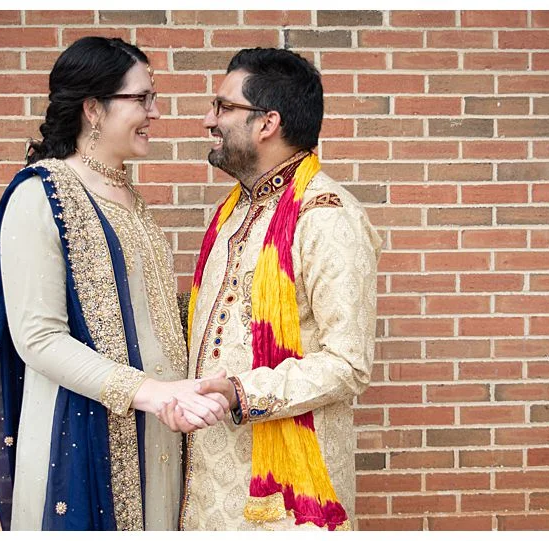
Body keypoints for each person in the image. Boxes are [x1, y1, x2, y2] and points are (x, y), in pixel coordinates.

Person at [0, 36, 228, 531]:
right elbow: (37, 338)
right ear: (93, 108)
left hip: (158, 429)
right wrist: (151, 392)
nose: (155, 111)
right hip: (80, 431)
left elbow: (148, 316)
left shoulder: (131, 201)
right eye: (142, 98)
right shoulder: (40, 194)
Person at [157, 48, 382, 531]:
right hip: (209, 484)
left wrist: (241, 391)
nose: (207, 120)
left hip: (285, 501)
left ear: (267, 123)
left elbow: (349, 363)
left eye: (222, 107)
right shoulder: (233, 213)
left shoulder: (326, 218)